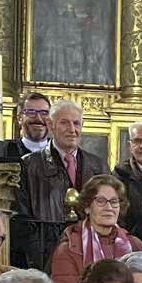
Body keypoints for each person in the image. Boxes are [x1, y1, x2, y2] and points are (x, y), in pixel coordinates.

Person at [17, 99, 109, 265]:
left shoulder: (98, 166)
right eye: (65, 123)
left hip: (91, 258)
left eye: (76, 123)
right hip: (45, 259)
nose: (72, 130)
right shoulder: (29, 165)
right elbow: (22, 220)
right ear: (50, 125)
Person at [50, 174, 137, 283]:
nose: (109, 207)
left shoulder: (134, 245)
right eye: (101, 201)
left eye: (114, 201)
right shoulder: (69, 249)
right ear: (87, 207)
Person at [2, 91, 51, 160]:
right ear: (19, 118)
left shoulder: (60, 151)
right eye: (31, 112)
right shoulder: (5, 150)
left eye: (44, 113)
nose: (38, 118)